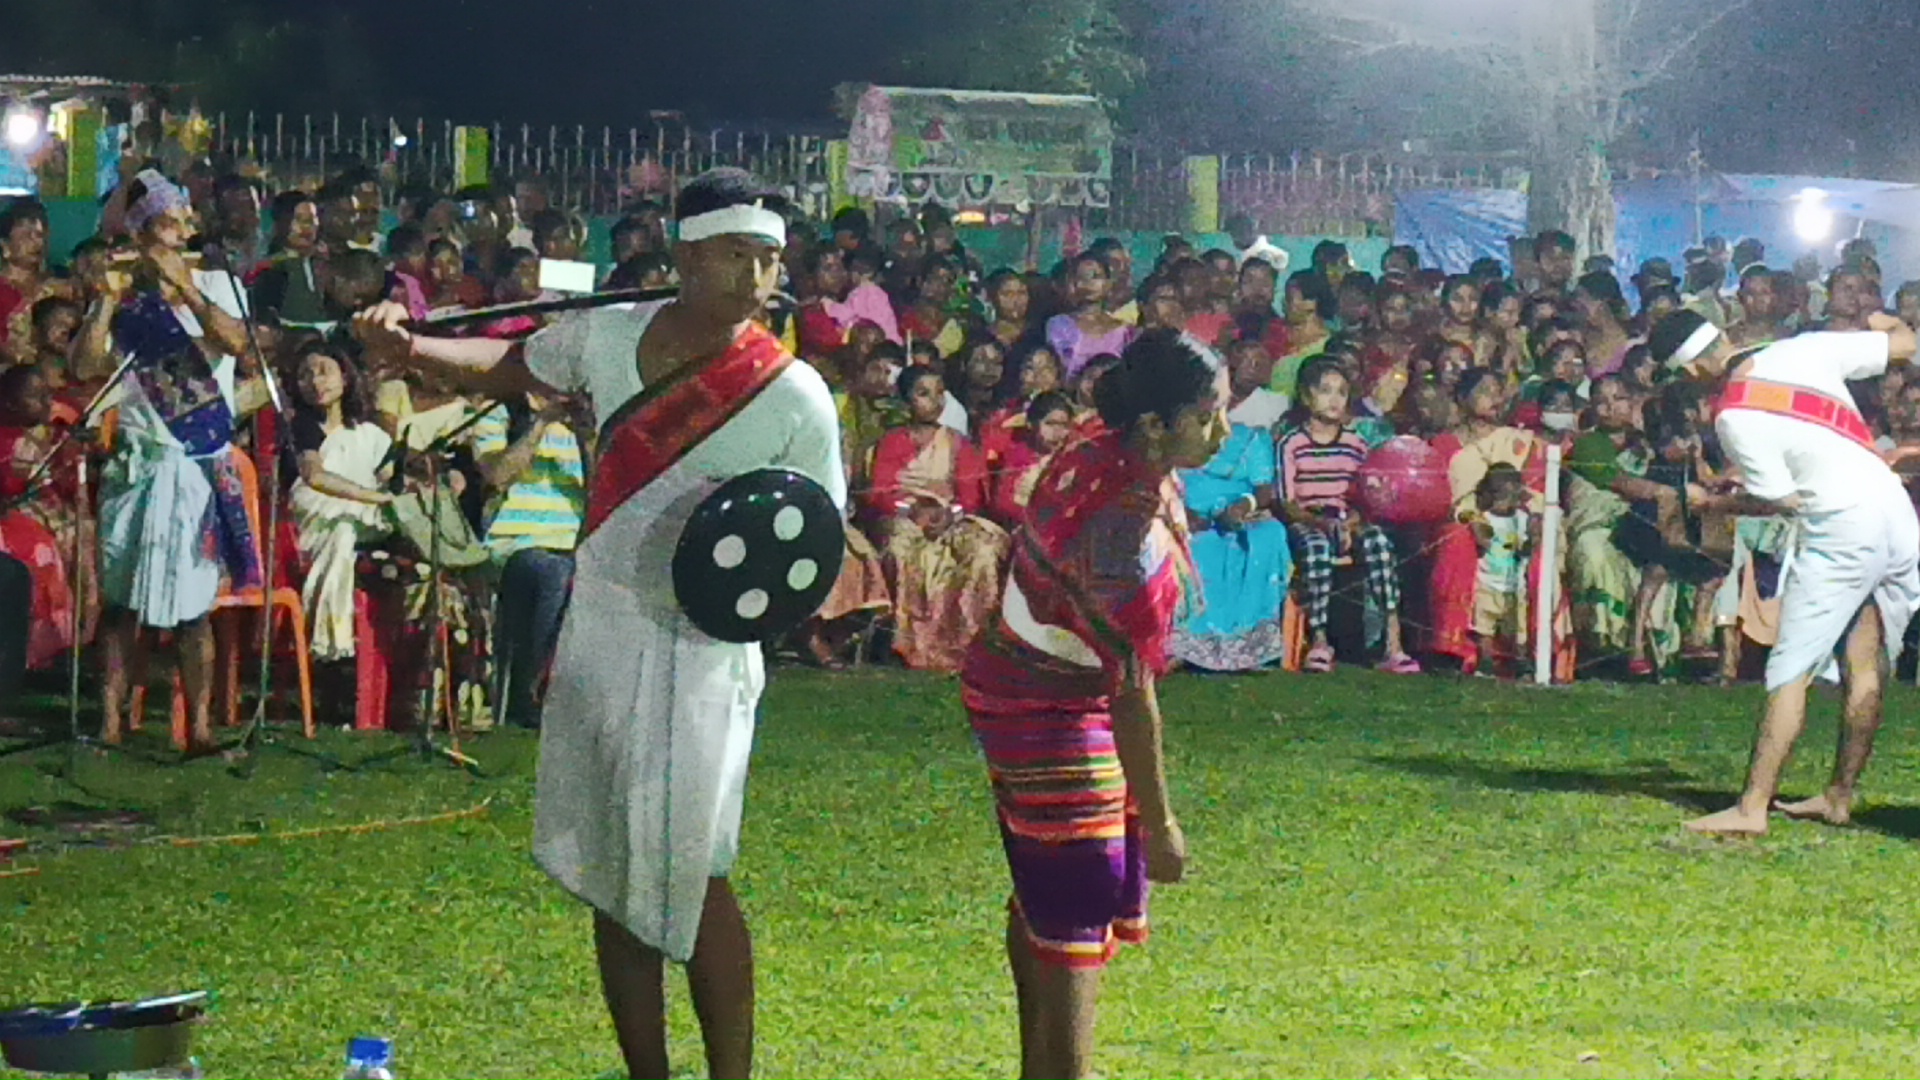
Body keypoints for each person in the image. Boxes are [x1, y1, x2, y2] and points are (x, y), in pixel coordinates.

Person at [356, 169, 843, 1080]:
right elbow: (506, 367)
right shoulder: (604, 339)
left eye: (770, 259)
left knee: (695, 872)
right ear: (688, 255)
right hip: (605, 626)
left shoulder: (795, 394)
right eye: (739, 255)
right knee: (616, 877)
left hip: (706, 655)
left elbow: (815, 545)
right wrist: (406, 344)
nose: (758, 277)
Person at [962, 328, 1223, 1080]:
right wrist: (1163, 822)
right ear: (1154, 428)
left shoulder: (1095, 447)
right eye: (1206, 416)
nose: (1222, 432)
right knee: (1078, 891)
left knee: (1045, 884)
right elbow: (1132, 697)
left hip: (1009, 679)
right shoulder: (1122, 534)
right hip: (1046, 705)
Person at [1647, 309, 1920, 835]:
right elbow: (1905, 342)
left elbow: (1782, 501)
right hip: (1895, 512)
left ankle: (1752, 807)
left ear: (1691, 370)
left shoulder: (1733, 415)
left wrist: (1714, 504)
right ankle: (1838, 796)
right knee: (1866, 656)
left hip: (1842, 527)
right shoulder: (1804, 348)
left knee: (1789, 670)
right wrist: (1880, 317)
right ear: (1722, 337)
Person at [97, 171, 269, 753]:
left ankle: (196, 727)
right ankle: (111, 723)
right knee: (119, 606)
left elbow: (239, 346)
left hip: (196, 461)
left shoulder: (219, 284)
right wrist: (103, 303)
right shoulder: (129, 298)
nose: (175, 237)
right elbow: (85, 364)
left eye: (180, 227)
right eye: (163, 228)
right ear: (143, 237)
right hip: (140, 464)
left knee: (195, 609)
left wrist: (189, 291)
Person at [1277, 359, 1421, 674]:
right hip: (1309, 519)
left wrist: (1352, 522)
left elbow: (1366, 496)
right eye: (1325, 391)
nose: (1334, 400)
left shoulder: (1355, 444)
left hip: (1348, 520)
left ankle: (1392, 643)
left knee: (1379, 545)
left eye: (1341, 393)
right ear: (1305, 396)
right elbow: (1288, 502)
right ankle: (1319, 640)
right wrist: (1320, 522)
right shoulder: (1292, 444)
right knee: (1315, 549)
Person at [867, 365, 1009, 672]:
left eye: (939, 393)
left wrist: (949, 514)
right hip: (905, 517)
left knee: (982, 549)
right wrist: (912, 511)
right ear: (906, 401)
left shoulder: (959, 443)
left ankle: (972, 643)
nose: (934, 401)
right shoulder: (892, 441)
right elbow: (879, 492)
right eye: (923, 393)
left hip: (952, 518)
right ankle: (904, 643)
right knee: (900, 548)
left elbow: (971, 496)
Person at [469, 388, 589, 729]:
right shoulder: (500, 411)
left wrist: (586, 435)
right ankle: (534, 694)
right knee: (553, 572)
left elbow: (600, 483)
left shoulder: (583, 418)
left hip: (575, 541)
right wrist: (540, 425)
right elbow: (497, 474)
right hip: (515, 540)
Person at [1172, 338, 1292, 671]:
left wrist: (1243, 505)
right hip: (1186, 512)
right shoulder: (1178, 433)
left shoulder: (1251, 436)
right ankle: (1188, 646)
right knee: (1199, 544)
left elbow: (1264, 489)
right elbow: (1166, 480)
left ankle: (1250, 646)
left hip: (1239, 511)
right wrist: (1183, 513)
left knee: (1268, 535)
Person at [286, 336, 394, 673]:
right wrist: (374, 497)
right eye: (306, 375)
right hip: (316, 519)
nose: (316, 382)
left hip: (367, 517)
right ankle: (331, 648)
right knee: (342, 533)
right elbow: (315, 477)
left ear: (345, 377)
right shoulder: (302, 428)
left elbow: (392, 474)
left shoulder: (369, 434)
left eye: (324, 371)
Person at [1469, 464, 1532, 676]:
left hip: (1515, 586)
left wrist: (1533, 519)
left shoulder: (1522, 519)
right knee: (1484, 626)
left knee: (1518, 627)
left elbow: (1528, 547)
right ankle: (1485, 661)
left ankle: (1521, 661)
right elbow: (1482, 541)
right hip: (1487, 582)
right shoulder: (1484, 518)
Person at [1047, 253, 1135, 379]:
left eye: (1095, 276)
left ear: (1108, 283)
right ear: (1072, 283)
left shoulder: (1124, 331)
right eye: (1081, 277)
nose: (1088, 283)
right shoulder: (1059, 325)